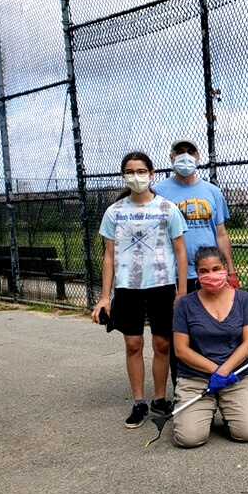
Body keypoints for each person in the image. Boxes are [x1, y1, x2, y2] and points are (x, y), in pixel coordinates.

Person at [89, 151, 188, 429]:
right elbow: (109, 255)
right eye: (130, 171)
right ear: (124, 175)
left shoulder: (168, 209)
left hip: (162, 284)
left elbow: (181, 253)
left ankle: (159, 398)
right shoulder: (115, 211)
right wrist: (105, 297)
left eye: (141, 171)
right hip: (128, 287)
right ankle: (138, 401)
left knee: (162, 343)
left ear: (152, 173)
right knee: (133, 344)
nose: (136, 176)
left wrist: (181, 292)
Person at [154, 139, 238, 390]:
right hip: (173, 275)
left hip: (208, 274)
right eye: (179, 152)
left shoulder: (212, 192)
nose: (185, 156)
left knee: (207, 333)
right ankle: (182, 387)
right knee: (175, 337)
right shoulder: (159, 191)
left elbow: (221, 233)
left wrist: (230, 271)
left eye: (190, 152)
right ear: (170, 158)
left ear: (198, 157)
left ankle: (211, 384)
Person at [172, 247, 248, 447]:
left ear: (225, 268)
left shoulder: (245, 300)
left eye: (216, 269)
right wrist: (215, 371)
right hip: (195, 377)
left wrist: (224, 371)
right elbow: (181, 350)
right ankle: (203, 406)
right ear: (197, 274)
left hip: (236, 375)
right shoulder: (185, 305)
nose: (211, 275)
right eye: (204, 271)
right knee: (189, 438)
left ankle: (244, 401)